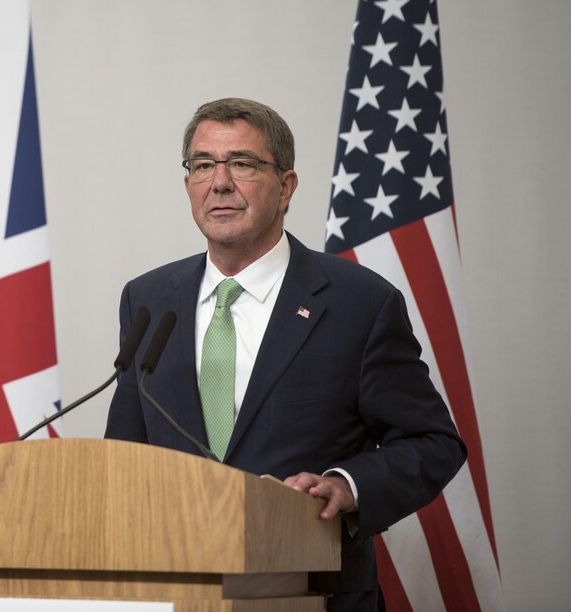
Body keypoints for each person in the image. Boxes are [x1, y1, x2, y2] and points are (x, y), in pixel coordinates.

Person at [104, 98, 466, 611]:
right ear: (188, 183)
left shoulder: (358, 302)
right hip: (172, 592)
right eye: (203, 165)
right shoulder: (148, 299)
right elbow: (125, 455)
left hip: (313, 592)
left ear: (287, 186)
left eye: (243, 164)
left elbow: (434, 442)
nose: (220, 182)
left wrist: (348, 485)